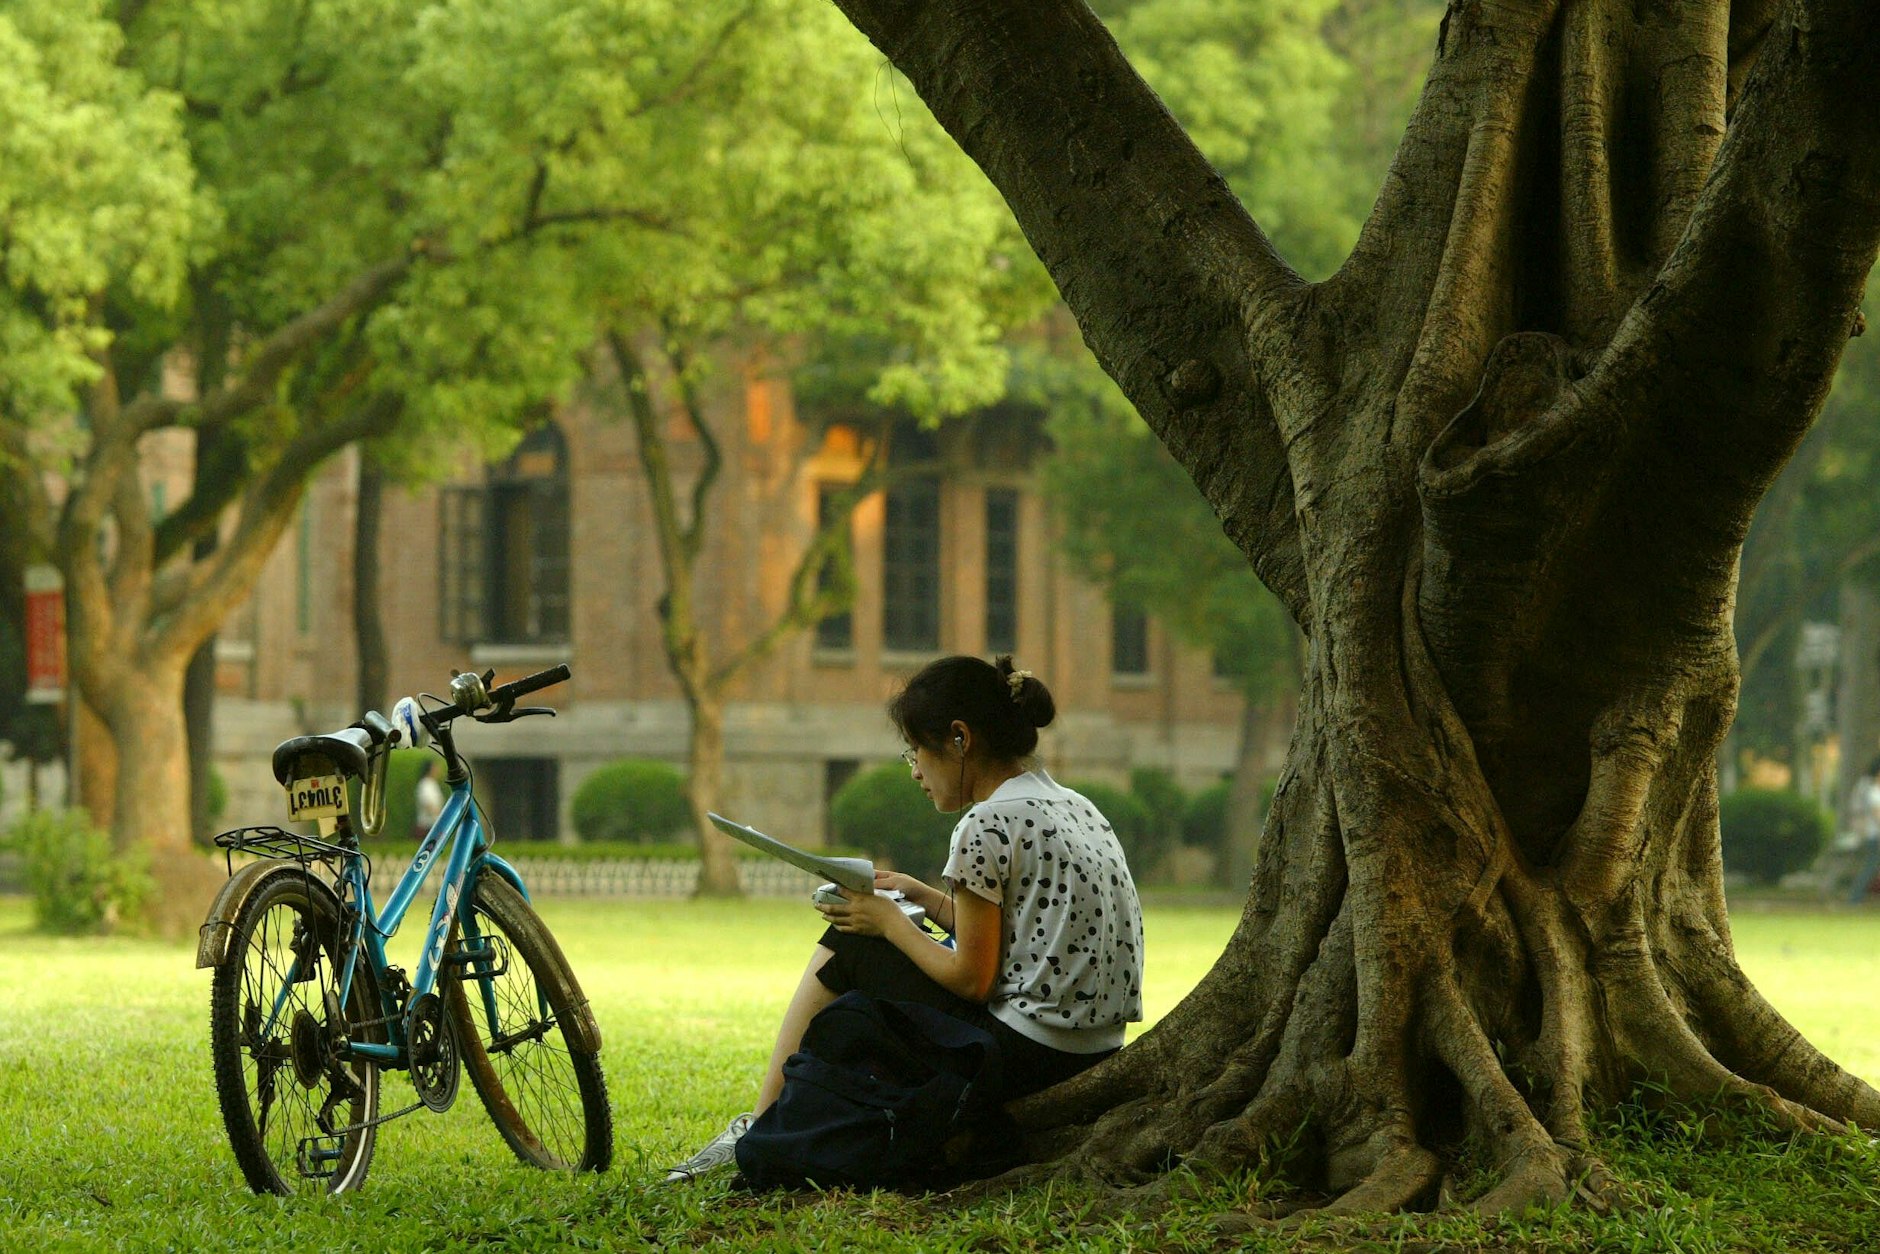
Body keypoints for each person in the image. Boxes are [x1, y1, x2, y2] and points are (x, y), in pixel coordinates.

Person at [665, 654, 1145, 1183]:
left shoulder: (985, 823)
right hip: (1094, 1050)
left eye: (916, 749)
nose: (914, 769)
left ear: (960, 739)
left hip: (1026, 1053)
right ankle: (767, 1119)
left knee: (852, 942)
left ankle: (755, 1127)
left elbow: (973, 978)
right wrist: (918, 895)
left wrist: (888, 921)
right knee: (873, 928)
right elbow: (1028, 940)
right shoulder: (1074, 805)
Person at [412, 759, 445, 842]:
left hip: (434, 825)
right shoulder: (425, 784)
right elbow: (428, 805)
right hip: (426, 827)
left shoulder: (433, 784)